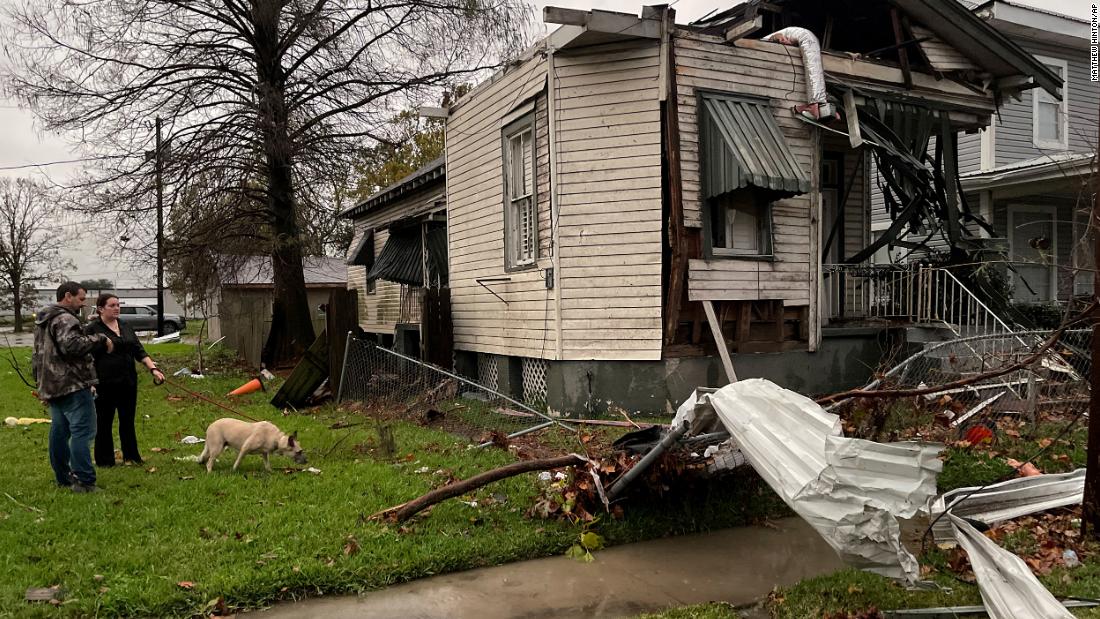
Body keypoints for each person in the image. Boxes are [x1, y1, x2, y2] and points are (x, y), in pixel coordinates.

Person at [33, 282, 114, 493]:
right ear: (68, 296)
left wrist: (41, 385)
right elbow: (73, 345)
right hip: (72, 384)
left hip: (52, 385)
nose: (83, 303)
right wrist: (100, 339)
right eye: (80, 299)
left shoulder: (43, 320)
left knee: (59, 432)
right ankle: (85, 481)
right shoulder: (66, 318)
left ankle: (63, 477)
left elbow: (38, 355)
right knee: (83, 432)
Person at [85, 293, 166, 467]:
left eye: (118, 305)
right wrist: (90, 383)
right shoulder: (92, 329)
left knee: (127, 420)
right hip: (104, 383)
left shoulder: (125, 325)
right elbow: (86, 358)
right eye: (112, 305)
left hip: (128, 381)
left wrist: (153, 369)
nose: (117, 308)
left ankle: (132, 456)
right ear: (100, 309)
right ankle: (105, 460)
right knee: (104, 421)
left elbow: (139, 350)